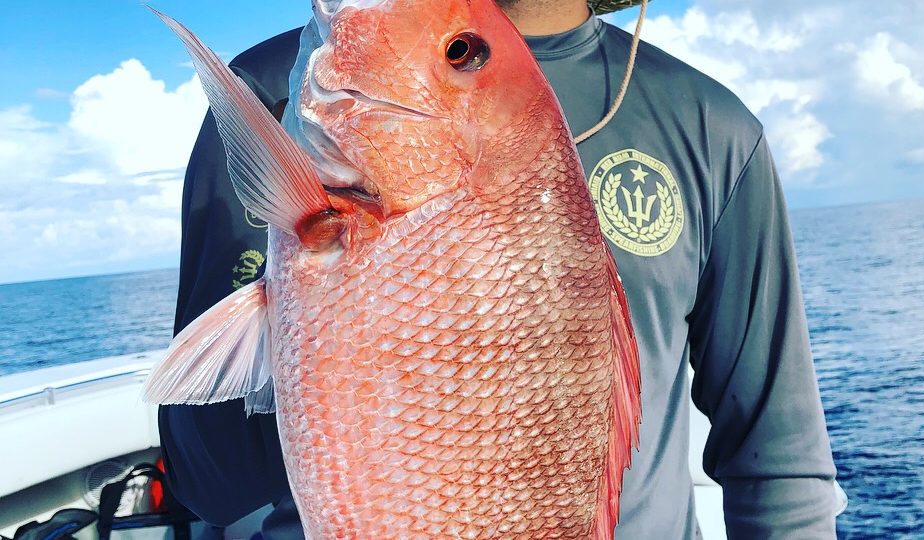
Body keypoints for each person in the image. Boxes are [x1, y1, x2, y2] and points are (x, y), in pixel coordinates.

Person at [159, 0, 839, 538]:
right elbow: (211, 483)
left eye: (462, 53)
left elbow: (778, 461)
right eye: (459, 52)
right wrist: (297, 273)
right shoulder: (267, 89)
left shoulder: (713, 128)